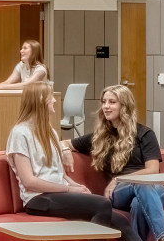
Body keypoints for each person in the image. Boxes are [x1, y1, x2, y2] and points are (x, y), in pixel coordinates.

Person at [72, 83, 164, 241]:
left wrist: (118, 178)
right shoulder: (99, 138)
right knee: (141, 187)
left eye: (112, 102)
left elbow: (153, 170)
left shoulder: (145, 134)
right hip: (120, 193)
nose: (106, 106)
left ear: (124, 106)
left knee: (139, 202)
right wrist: (63, 151)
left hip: (155, 189)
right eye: (104, 102)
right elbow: (64, 143)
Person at [6, 80, 114, 223]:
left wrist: (76, 186)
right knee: (102, 204)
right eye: (51, 96)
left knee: (119, 221)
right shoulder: (20, 133)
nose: (54, 100)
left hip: (57, 194)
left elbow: (59, 173)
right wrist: (68, 190)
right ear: (41, 100)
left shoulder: (50, 131)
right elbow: (29, 182)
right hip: (38, 199)